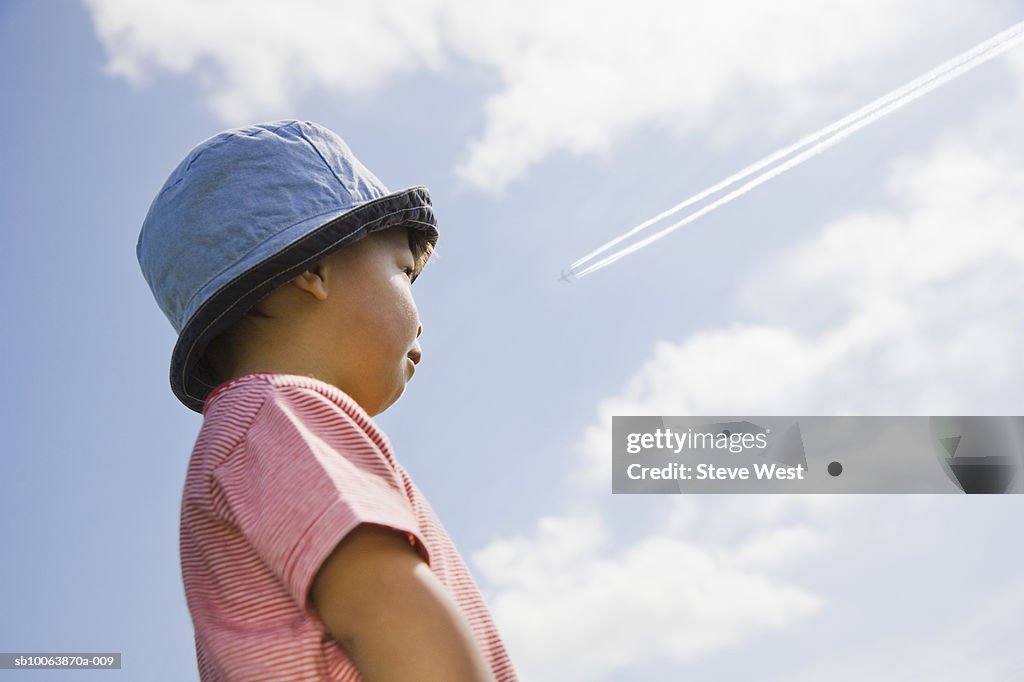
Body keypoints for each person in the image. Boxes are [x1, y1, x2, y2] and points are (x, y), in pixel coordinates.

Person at [136, 120, 518, 681]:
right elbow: (391, 616)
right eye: (404, 274)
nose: (419, 315)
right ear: (313, 271)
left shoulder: (250, 435)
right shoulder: (278, 412)